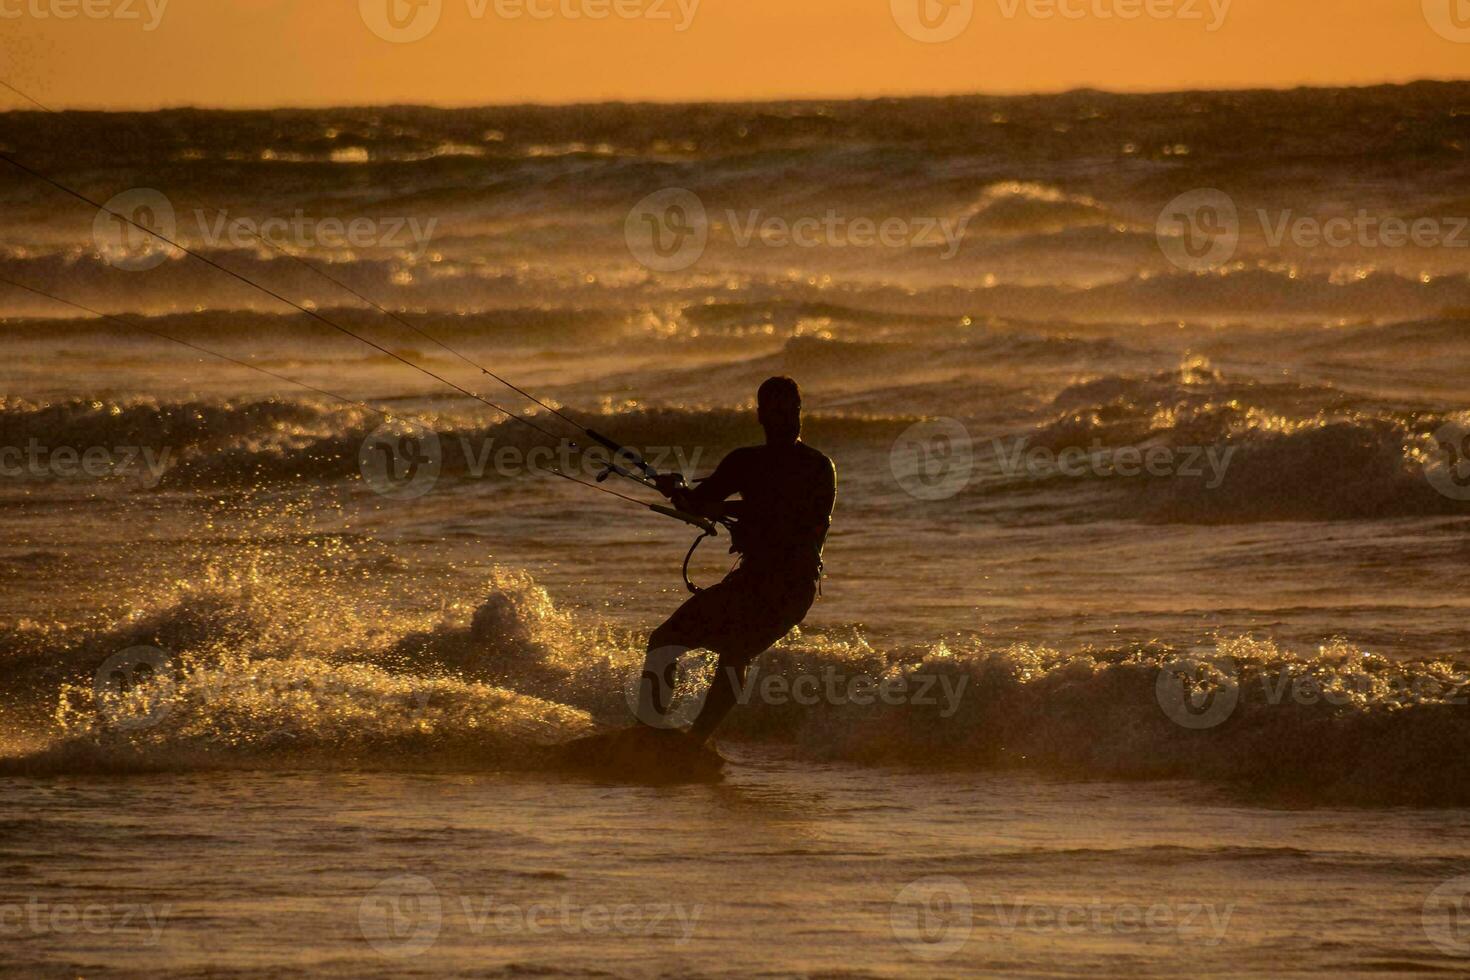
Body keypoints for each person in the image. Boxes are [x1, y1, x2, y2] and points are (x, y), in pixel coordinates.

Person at [638, 376, 837, 744]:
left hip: (792, 587)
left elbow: (800, 520)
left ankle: (697, 742)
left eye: (791, 411)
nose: (786, 419)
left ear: (800, 412)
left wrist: (725, 507)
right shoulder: (744, 462)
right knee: (663, 641)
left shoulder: (818, 468)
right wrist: (677, 490)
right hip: (750, 580)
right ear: (760, 416)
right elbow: (699, 503)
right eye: (775, 412)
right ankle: (646, 735)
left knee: (735, 651)